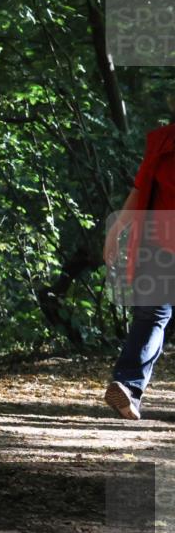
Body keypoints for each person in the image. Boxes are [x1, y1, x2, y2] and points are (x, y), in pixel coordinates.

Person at [103, 100, 175, 421]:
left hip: (160, 243)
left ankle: (129, 387)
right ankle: (128, 388)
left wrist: (117, 228)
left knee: (152, 317)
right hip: (160, 244)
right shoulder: (164, 142)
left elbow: (139, 188)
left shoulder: (166, 141)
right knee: (152, 316)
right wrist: (116, 228)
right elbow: (140, 188)